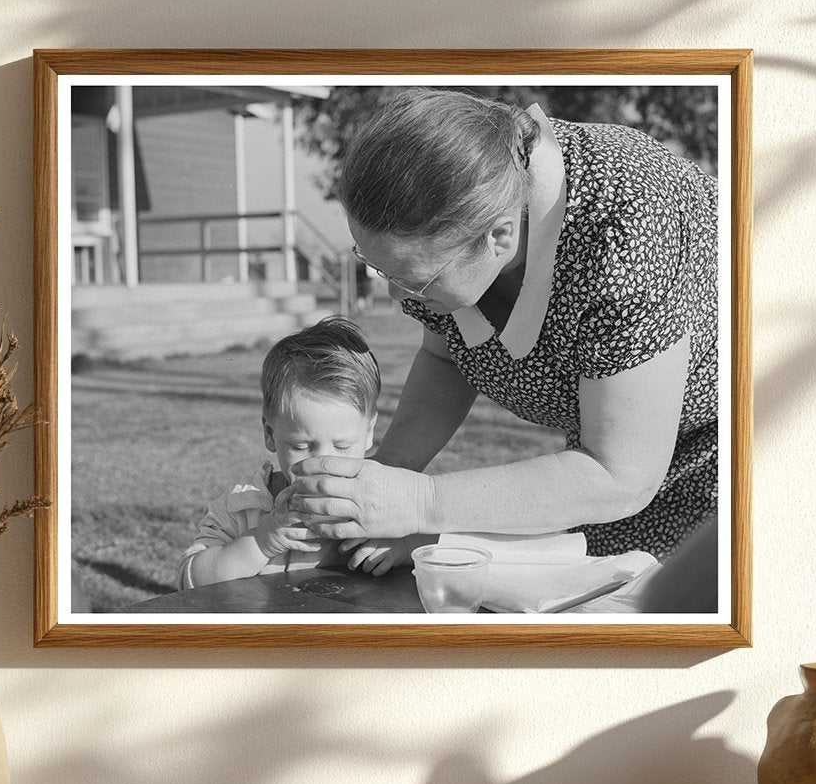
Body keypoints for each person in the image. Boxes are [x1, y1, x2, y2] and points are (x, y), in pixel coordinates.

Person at [288, 87, 719, 567]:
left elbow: (619, 475)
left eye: (413, 278)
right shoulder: (463, 207)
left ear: (499, 236)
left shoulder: (625, 226)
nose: (396, 297)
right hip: (608, 473)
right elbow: (445, 356)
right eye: (378, 267)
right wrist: (379, 484)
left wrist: (421, 503)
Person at [176, 316, 426, 588]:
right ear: (270, 435)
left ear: (368, 433)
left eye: (342, 446)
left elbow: (449, 547)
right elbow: (189, 580)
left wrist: (402, 547)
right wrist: (259, 543)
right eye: (301, 446)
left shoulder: (380, 503)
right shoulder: (243, 508)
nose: (323, 463)